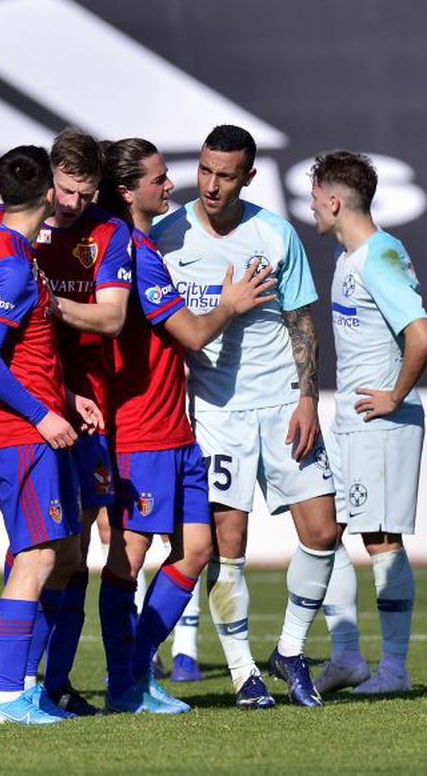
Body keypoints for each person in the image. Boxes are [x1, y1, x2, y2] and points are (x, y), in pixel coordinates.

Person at [152, 124, 338, 708]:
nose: (211, 185)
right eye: (205, 170)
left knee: (323, 531)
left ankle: (289, 650)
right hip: (217, 411)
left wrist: (308, 398)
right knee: (226, 544)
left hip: (283, 402)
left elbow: (302, 320)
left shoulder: (275, 234)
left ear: (249, 177)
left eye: (226, 175)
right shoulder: (167, 237)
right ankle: (242, 674)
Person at [96, 138, 276, 713]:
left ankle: (136, 668)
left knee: (195, 549)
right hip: (139, 431)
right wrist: (231, 304)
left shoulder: (144, 244)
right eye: (158, 179)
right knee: (127, 559)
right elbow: (194, 334)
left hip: (176, 427)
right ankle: (124, 684)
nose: (170, 185)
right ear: (127, 191)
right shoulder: (130, 250)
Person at [0, 130, 131, 715]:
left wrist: (68, 395)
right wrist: (42, 413)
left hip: (41, 418)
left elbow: (18, 345)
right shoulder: (12, 262)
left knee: (59, 555)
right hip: (24, 431)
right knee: (35, 558)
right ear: (48, 190)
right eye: (65, 190)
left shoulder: (11, 249)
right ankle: (12, 694)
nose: (73, 202)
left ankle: (36, 688)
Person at [309, 150, 425, 695]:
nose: (311, 206)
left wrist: (394, 396)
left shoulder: (378, 257)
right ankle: (347, 657)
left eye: (315, 197)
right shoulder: (348, 257)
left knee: (381, 539)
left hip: (381, 422)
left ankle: (394, 670)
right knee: (326, 530)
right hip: (352, 423)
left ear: (334, 202)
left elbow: (420, 335)